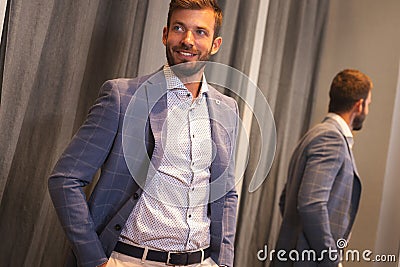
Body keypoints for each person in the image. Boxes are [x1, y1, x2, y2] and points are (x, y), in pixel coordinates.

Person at [48, 1, 238, 267]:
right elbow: (65, 179)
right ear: (164, 34)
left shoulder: (227, 109)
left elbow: (226, 193)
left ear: (215, 44)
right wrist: (96, 260)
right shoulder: (122, 97)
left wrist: (224, 262)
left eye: (200, 32)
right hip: (131, 259)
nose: (187, 40)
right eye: (179, 28)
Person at [272, 69, 373, 266]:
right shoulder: (331, 139)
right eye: (368, 104)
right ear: (359, 106)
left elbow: (287, 200)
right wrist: (330, 259)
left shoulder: (315, 134)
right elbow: (311, 204)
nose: (367, 110)